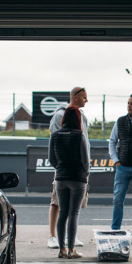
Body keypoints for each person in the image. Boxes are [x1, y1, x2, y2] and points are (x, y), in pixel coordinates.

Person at [47, 86, 90, 249]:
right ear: (76, 97)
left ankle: (69, 238)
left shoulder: (82, 116)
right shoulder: (59, 114)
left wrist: (85, 169)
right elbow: (55, 142)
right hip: (66, 169)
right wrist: (61, 166)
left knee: (73, 208)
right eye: (85, 97)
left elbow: (85, 143)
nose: (87, 100)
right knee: (58, 203)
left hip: (77, 169)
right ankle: (53, 237)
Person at [108, 94, 132, 243]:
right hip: (122, 167)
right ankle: (115, 230)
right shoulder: (120, 121)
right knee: (117, 200)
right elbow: (112, 141)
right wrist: (116, 161)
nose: (129, 106)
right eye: (128, 103)